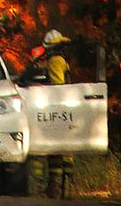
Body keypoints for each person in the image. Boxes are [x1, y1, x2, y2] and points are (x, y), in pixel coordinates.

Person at [27, 30, 75, 199]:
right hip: (62, 110)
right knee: (60, 153)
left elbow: (57, 86)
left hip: (53, 109)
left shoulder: (55, 61)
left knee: (42, 151)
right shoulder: (60, 61)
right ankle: (60, 189)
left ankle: (40, 189)